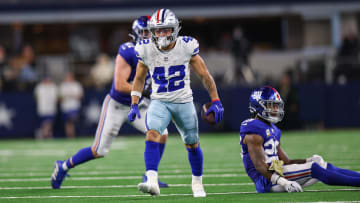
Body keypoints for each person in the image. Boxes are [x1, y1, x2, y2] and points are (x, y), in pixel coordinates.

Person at [51, 16, 169, 189]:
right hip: (117, 105)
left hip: (138, 105)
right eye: (145, 32)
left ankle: (150, 176)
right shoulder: (127, 51)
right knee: (98, 150)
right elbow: (121, 85)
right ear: (136, 34)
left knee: (161, 132)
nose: (149, 36)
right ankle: (63, 166)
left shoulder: (157, 52)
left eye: (151, 32)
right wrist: (146, 91)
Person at [128, 8, 224, 197]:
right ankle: (152, 180)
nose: (161, 34)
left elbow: (205, 76)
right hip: (159, 101)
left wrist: (216, 100)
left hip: (183, 101)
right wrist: (134, 102)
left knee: (192, 143)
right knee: (152, 134)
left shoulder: (186, 46)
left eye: (165, 30)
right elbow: (139, 79)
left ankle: (197, 183)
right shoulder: (145, 48)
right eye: (158, 30)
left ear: (174, 29)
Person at [240, 86, 360, 193]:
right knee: (314, 168)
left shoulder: (273, 129)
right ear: (258, 105)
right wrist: (284, 182)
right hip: (266, 180)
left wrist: (307, 159)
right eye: (271, 105)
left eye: (277, 105)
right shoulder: (252, 129)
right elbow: (259, 165)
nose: (276, 109)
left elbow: (286, 162)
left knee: (322, 164)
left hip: (276, 170)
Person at [58, 72, 84, 138]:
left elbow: (81, 96)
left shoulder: (77, 85)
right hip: (65, 107)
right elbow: (59, 98)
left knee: (72, 120)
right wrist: (65, 97)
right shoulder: (63, 86)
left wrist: (73, 96)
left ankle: (72, 134)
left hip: (74, 106)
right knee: (67, 122)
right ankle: (69, 135)